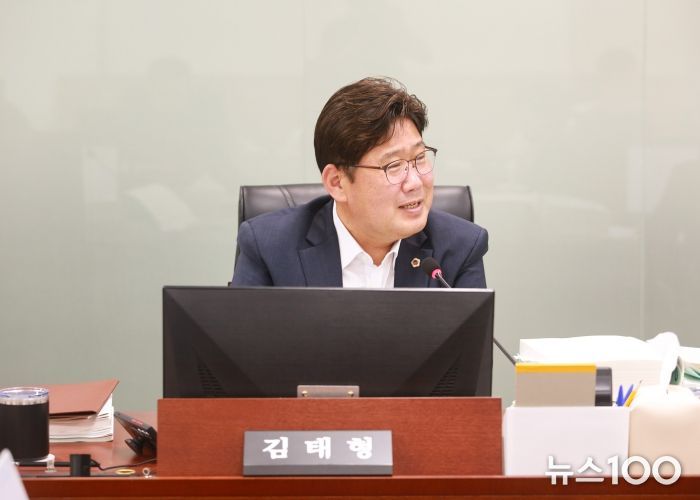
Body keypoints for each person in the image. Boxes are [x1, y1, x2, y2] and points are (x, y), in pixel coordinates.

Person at [231, 77, 488, 288]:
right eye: (393, 166)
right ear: (337, 183)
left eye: (420, 158)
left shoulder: (460, 248)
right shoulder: (269, 248)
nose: (415, 182)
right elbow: (246, 337)